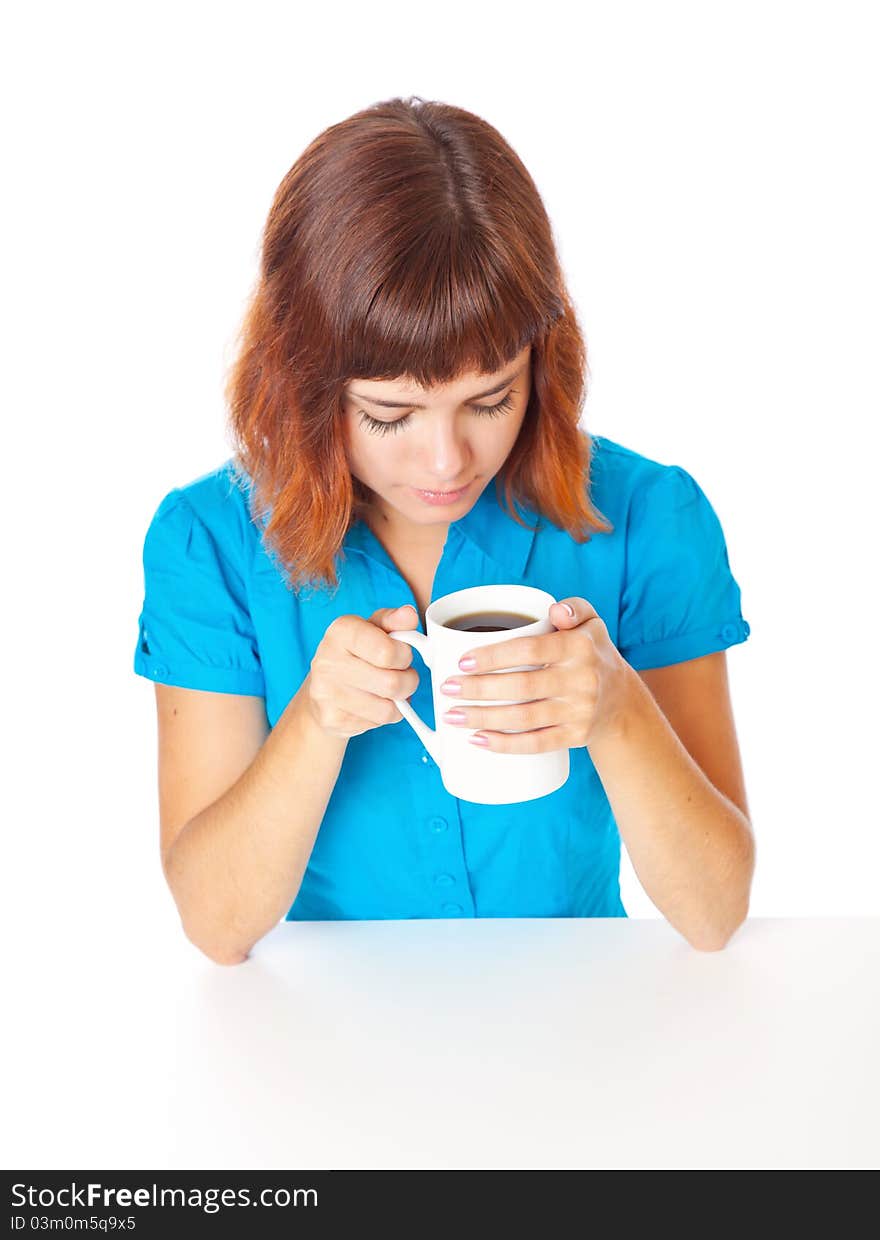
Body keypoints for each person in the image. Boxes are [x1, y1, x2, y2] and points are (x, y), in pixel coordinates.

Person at [134, 96, 755, 965]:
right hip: (318, 1043)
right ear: (301, 380)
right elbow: (215, 925)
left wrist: (618, 712)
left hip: (578, 1028)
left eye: (491, 400)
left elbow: (716, 912)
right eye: (390, 414)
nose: (445, 462)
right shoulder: (210, 542)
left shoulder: (649, 516)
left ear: (546, 359)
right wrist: (315, 721)